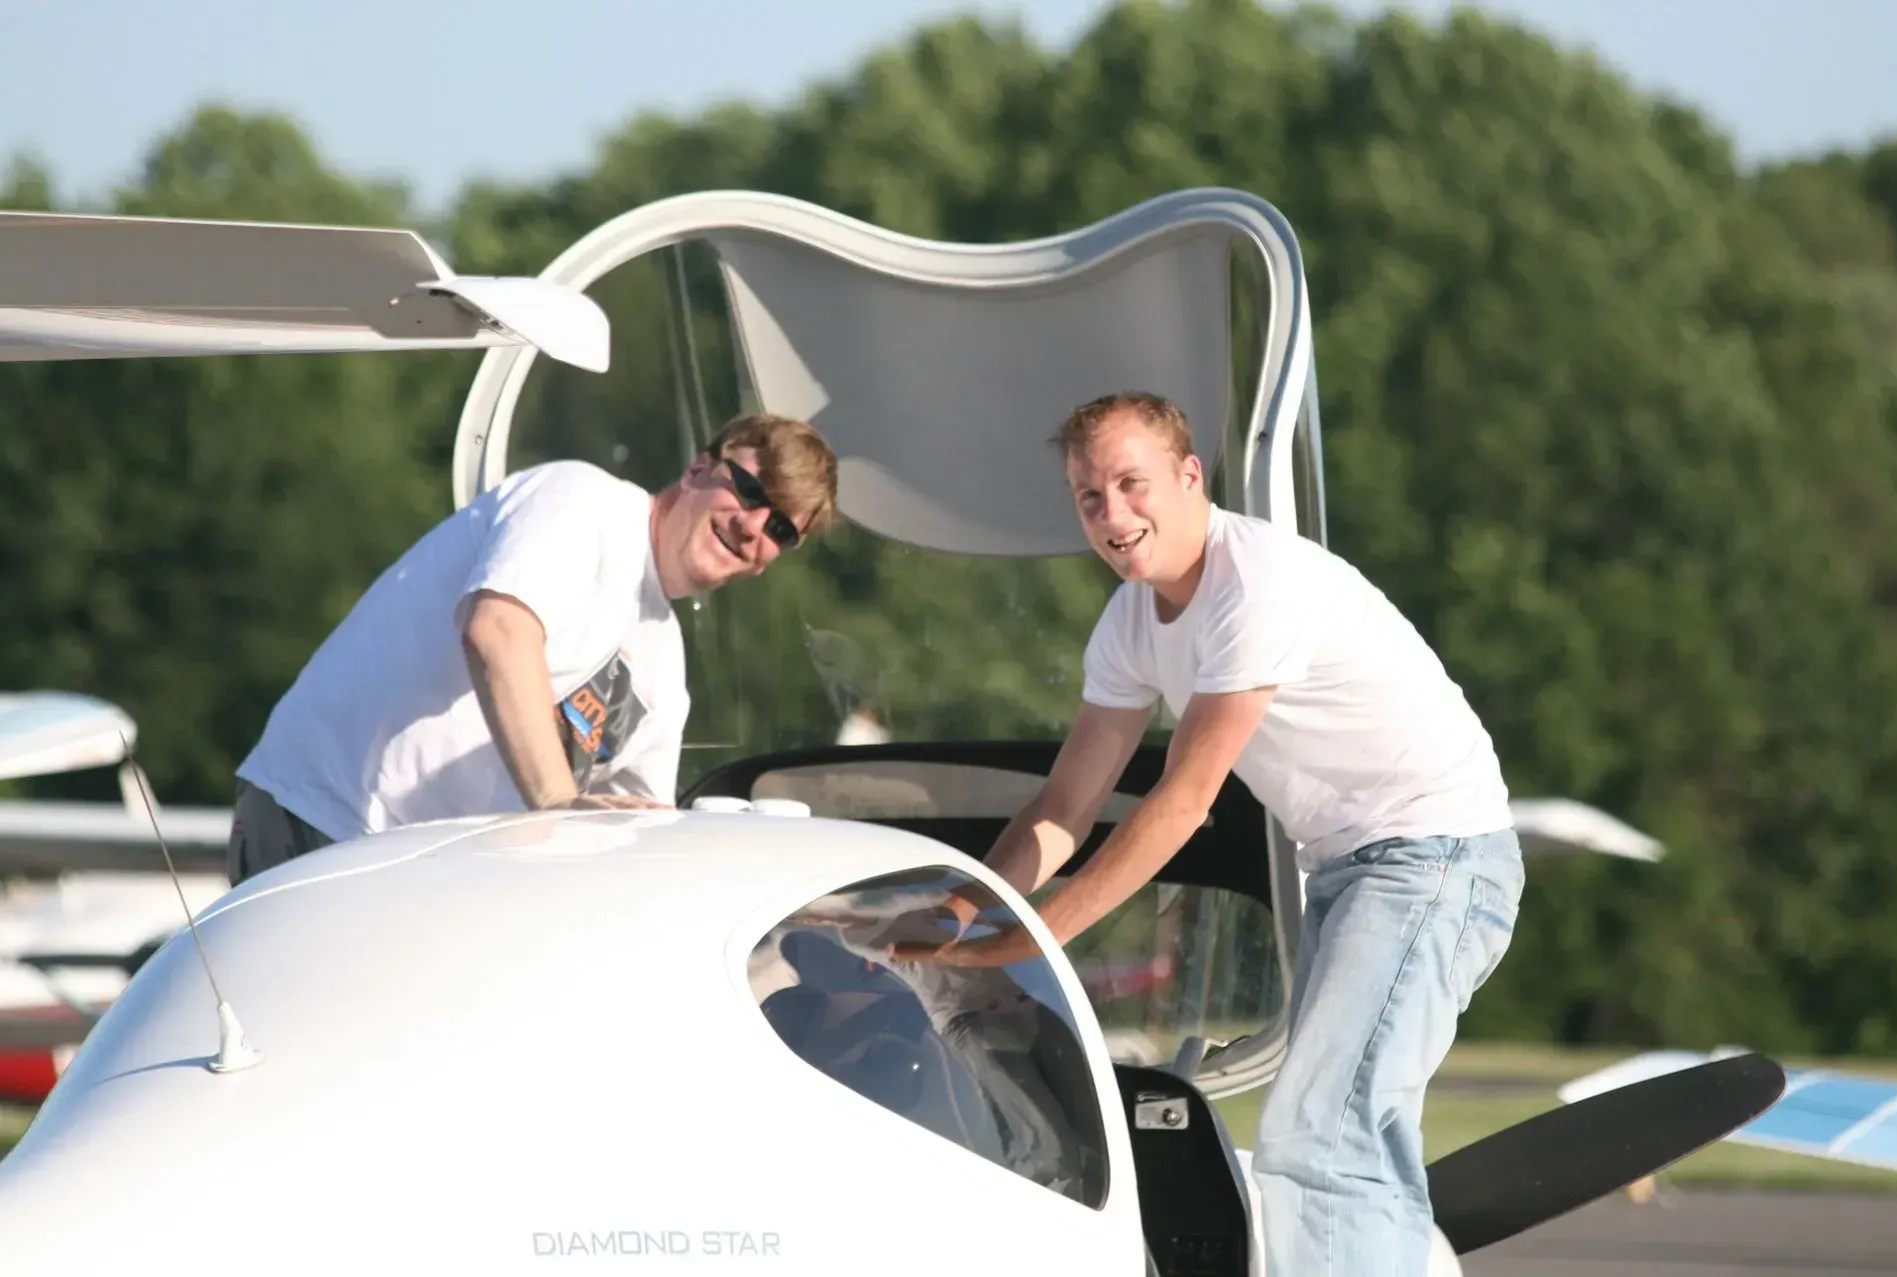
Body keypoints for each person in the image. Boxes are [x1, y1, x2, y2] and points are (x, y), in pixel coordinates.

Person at [896, 391, 1522, 1276]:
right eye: (1089, 497)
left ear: (1191, 476)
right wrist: (964, 908)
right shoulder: (1128, 624)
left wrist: (1029, 944)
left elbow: (1185, 800)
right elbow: (1063, 808)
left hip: (1435, 856)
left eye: (1130, 483)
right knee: (1343, 1136)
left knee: (1323, 1129)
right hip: (1347, 868)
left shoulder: (1255, 585)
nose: (1113, 515)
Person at [226, 412, 838, 884]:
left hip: (428, 888)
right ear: (698, 469)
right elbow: (497, 631)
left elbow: (634, 836)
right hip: (327, 822)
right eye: (752, 493)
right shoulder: (582, 501)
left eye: (781, 528)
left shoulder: (664, 670)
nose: (753, 526)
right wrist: (556, 801)